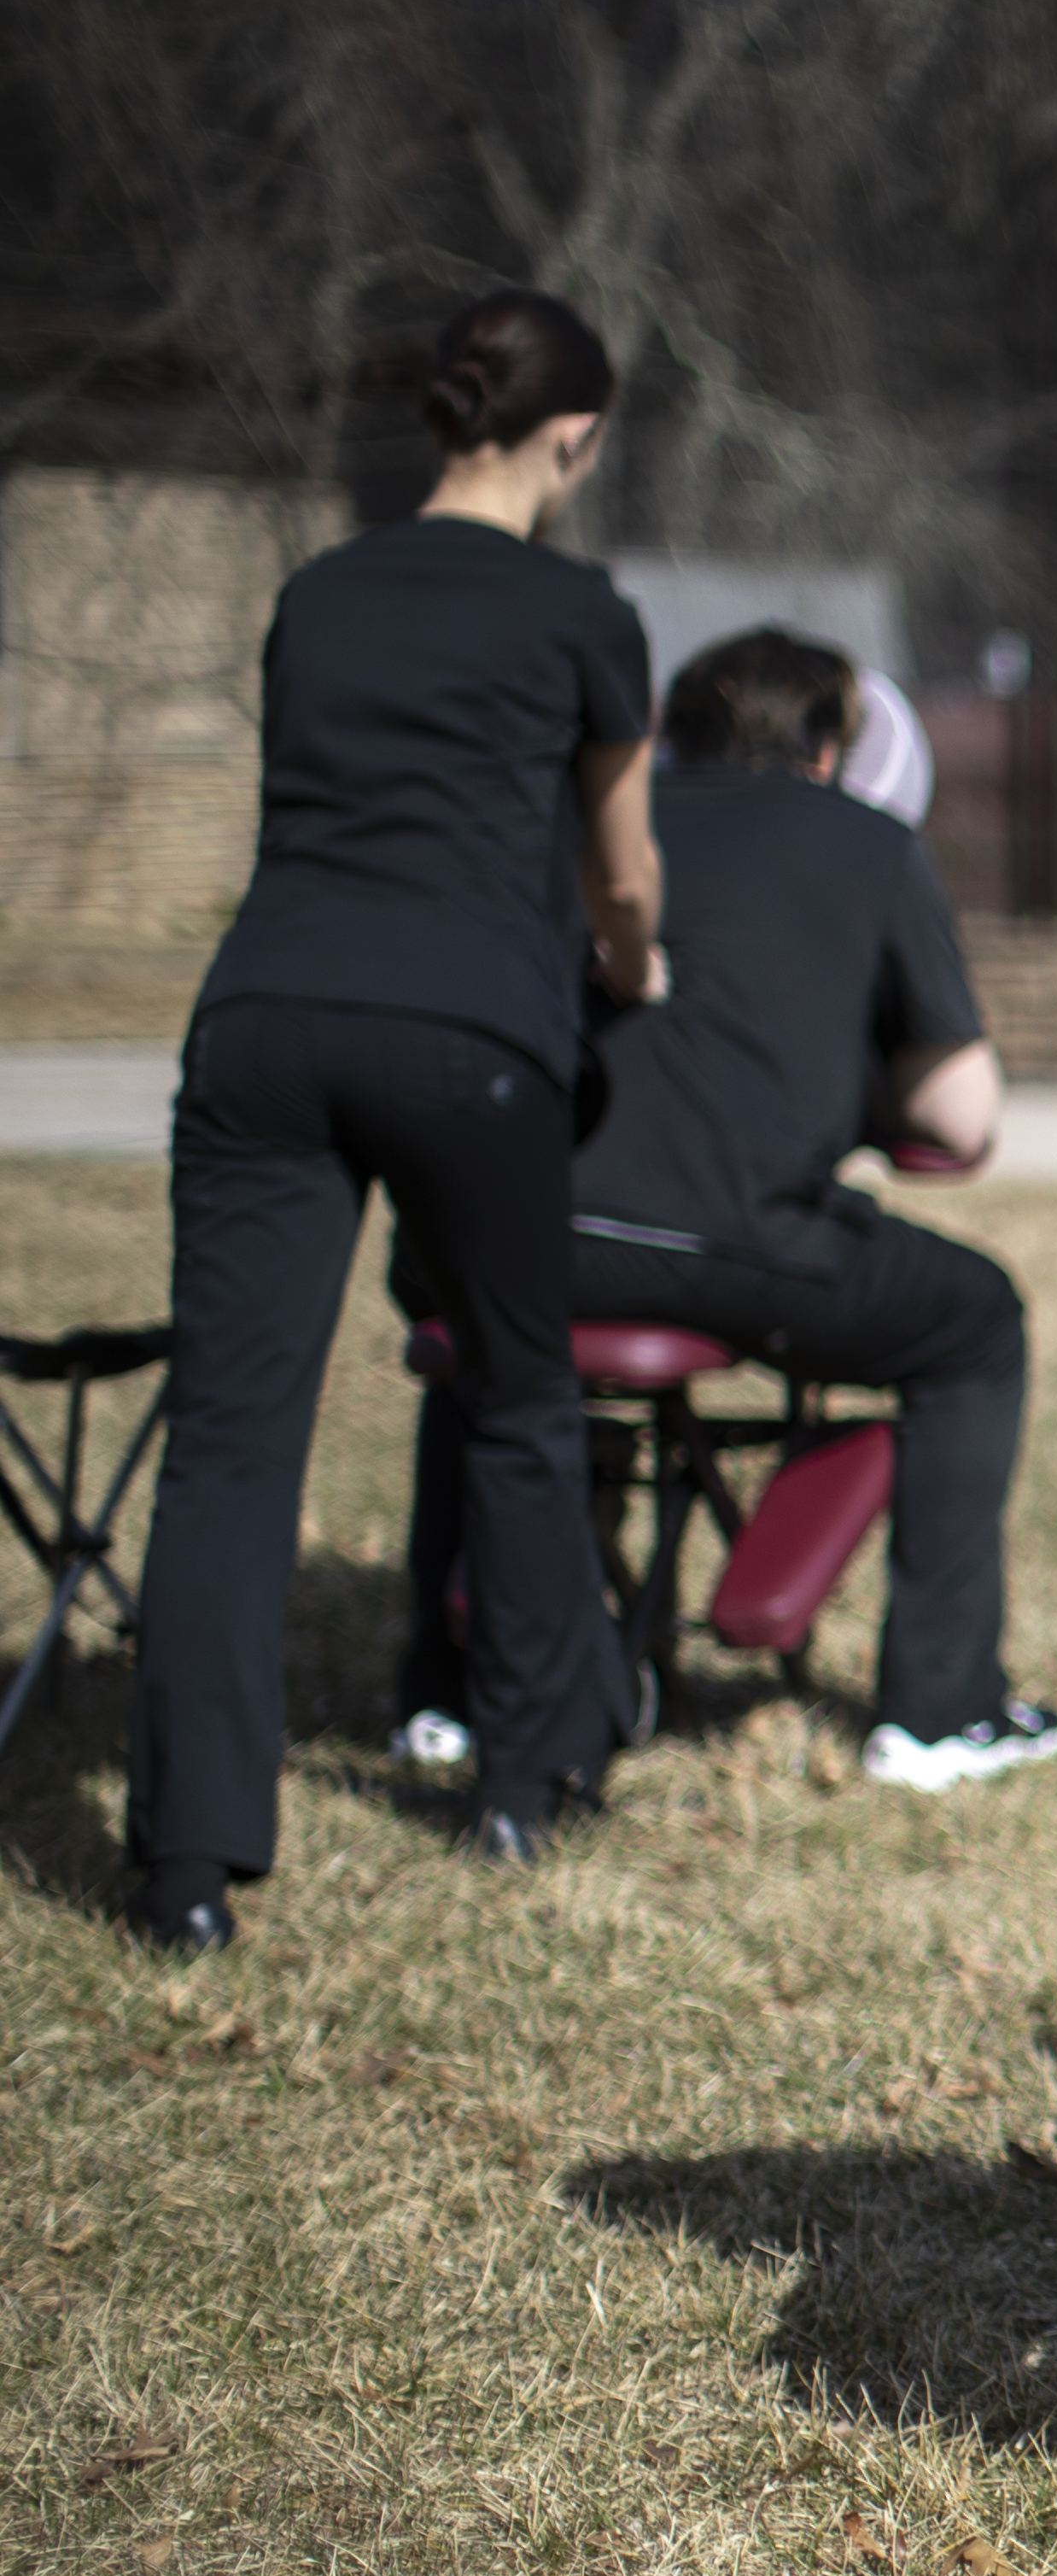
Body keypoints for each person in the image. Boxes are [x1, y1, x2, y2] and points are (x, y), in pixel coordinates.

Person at [126, 289, 665, 1949]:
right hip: (471, 1033)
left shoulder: (319, 592)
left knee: (230, 1434)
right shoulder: (582, 611)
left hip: (268, 1020)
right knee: (514, 1395)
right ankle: (524, 1780)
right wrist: (632, 967)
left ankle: (188, 1868)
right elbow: (625, 872)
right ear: (571, 438)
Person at [388, 629, 1057, 1791]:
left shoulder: (580, 824)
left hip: (496, 1233)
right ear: (826, 750)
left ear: (674, 735)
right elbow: (959, 1122)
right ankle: (942, 1713)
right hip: (730, 1247)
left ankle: (447, 1694)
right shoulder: (868, 845)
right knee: (974, 1320)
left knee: (494, 1334)